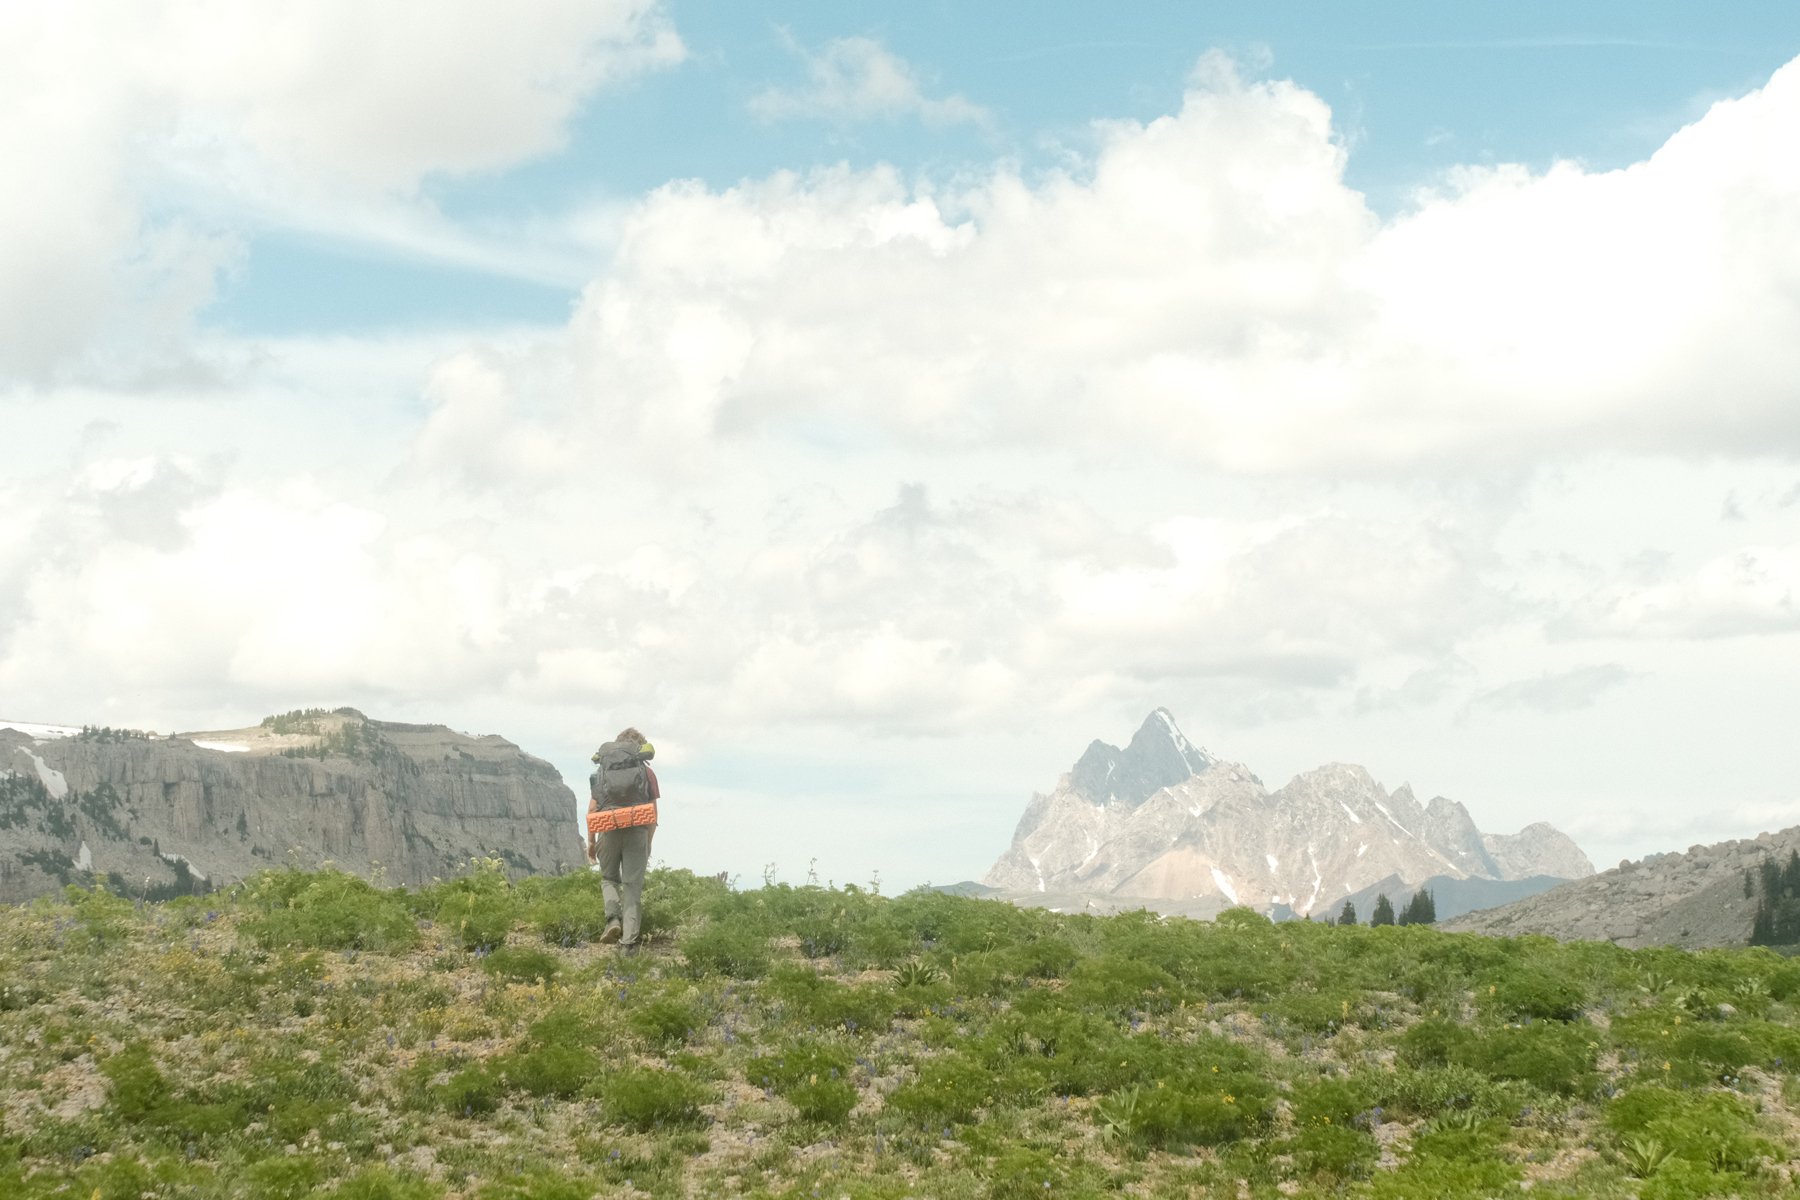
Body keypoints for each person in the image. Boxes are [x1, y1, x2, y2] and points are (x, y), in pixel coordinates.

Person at [586, 726, 659, 952]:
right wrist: (648, 841)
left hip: (608, 828)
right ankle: (628, 944)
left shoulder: (604, 771)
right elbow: (653, 813)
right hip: (637, 829)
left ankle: (612, 920)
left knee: (608, 878)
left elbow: (592, 809)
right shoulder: (646, 772)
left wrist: (591, 841)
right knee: (632, 886)